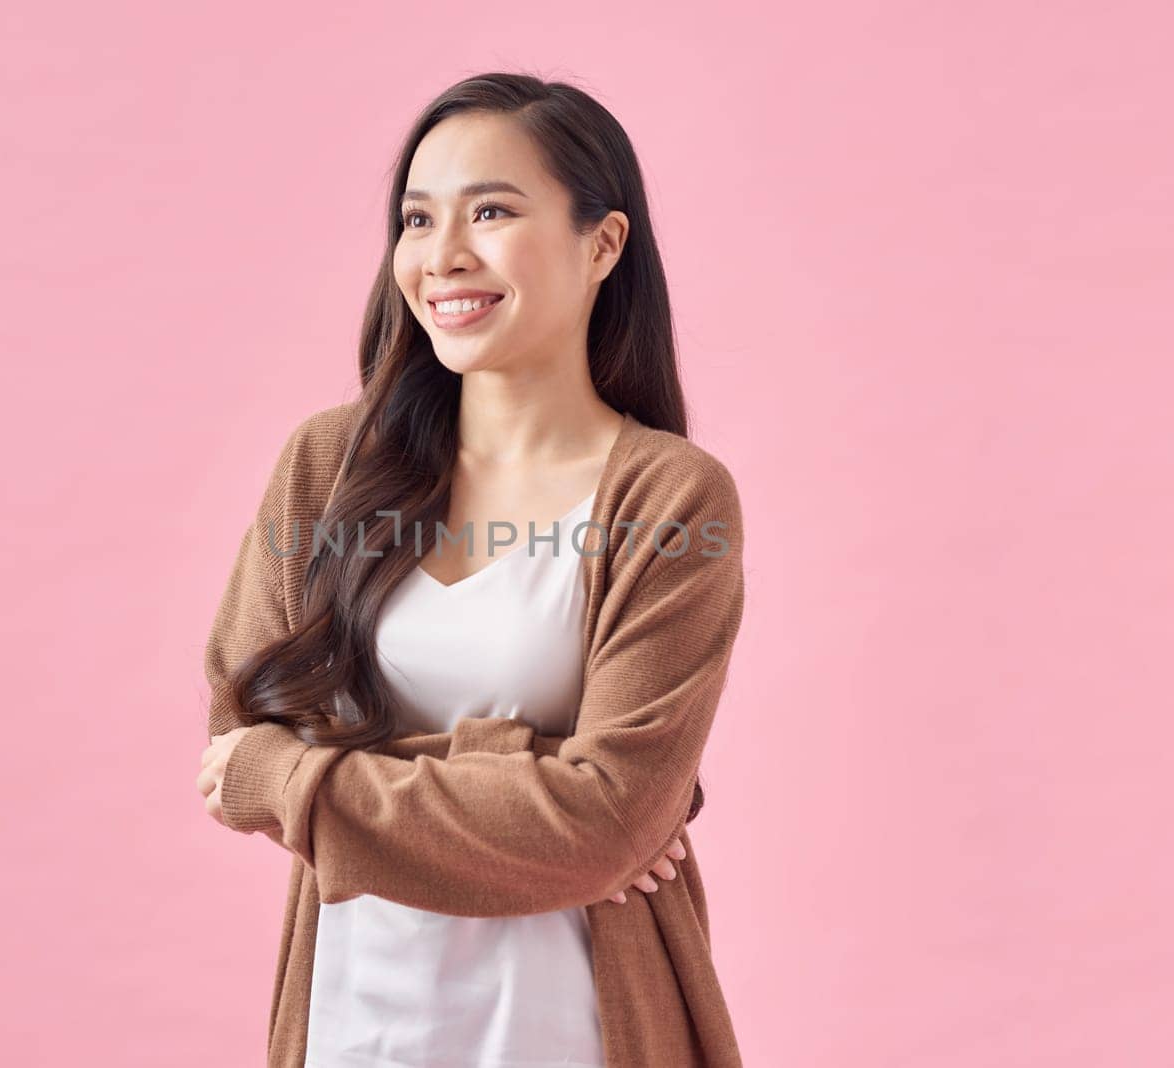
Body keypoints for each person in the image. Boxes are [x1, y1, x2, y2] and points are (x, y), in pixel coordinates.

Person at [196, 71, 747, 1067]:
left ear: (602, 244)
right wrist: (538, 786)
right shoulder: (327, 470)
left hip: (576, 1023)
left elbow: (604, 822)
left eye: (490, 210)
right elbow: (239, 743)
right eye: (416, 219)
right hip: (355, 1017)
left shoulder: (671, 501)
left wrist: (308, 785)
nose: (442, 257)